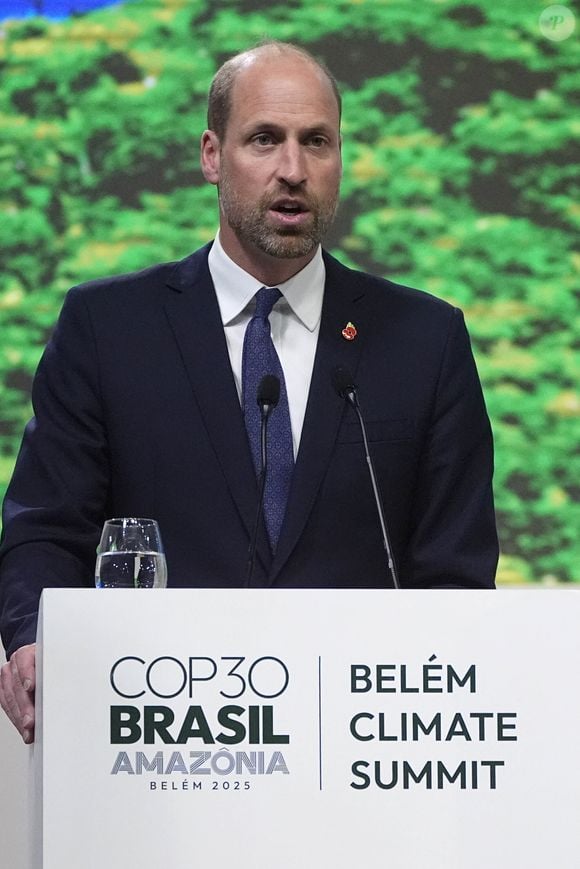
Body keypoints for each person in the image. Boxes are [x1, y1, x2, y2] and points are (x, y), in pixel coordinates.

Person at [0, 41, 498, 744]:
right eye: (265, 139)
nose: (292, 170)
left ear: (340, 159)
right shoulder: (108, 327)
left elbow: (456, 575)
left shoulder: (426, 339)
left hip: (357, 755)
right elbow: (46, 527)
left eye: (316, 142)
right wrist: (30, 634)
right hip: (158, 744)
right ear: (212, 155)